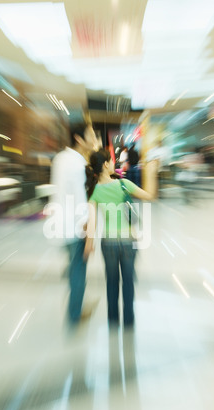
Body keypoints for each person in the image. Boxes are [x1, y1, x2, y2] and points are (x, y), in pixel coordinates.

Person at [84, 149, 154, 328]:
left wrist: (88, 245)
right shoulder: (123, 184)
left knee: (111, 284)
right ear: (106, 164)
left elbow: (92, 223)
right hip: (128, 242)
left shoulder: (94, 192)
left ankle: (113, 321)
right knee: (128, 283)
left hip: (108, 244)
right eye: (112, 161)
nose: (114, 164)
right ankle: (129, 321)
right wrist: (151, 172)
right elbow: (150, 196)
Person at [51, 122, 98, 325]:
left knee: (73, 269)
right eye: (91, 136)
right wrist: (89, 234)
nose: (95, 140)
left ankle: (77, 306)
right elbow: (80, 201)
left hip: (60, 224)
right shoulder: (77, 164)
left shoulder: (60, 158)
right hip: (75, 227)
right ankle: (75, 315)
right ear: (79, 138)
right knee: (79, 271)